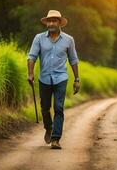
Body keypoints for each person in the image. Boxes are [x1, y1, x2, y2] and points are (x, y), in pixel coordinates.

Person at [27, 10, 80, 149]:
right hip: (44, 78)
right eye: (49, 21)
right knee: (45, 108)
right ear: (46, 23)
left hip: (61, 78)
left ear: (59, 23)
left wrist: (77, 79)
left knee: (59, 107)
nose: (51, 23)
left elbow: (73, 60)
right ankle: (49, 128)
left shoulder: (69, 40)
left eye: (54, 21)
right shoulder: (39, 38)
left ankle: (56, 139)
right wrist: (30, 74)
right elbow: (31, 57)